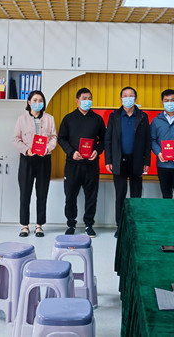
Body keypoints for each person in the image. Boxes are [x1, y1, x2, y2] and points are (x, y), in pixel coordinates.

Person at [58, 87, 106, 237]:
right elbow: (61, 138)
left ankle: (89, 224)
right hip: (73, 164)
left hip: (91, 165)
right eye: (84, 98)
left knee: (91, 196)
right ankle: (71, 224)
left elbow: (104, 140)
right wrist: (71, 152)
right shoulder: (68, 118)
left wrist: (97, 151)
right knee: (70, 196)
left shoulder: (97, 119)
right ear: (77, 100)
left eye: (90, 98)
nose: (87, 101)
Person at [104, 86, 151, 233]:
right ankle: (120, 226)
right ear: (120, 98)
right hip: (119, 161)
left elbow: (148, 140)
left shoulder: (142, 116)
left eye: (131, 95)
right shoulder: (114, 116)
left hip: (137, 161)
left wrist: (147, 161)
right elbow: (108, 139)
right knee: (120, 195)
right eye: (125, 95)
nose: (128, 98)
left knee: (136, 196)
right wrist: (108, 160)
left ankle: (134, 226)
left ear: (135, 99)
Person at [13, 90, 57, 238]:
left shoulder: (49, 118)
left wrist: (47, 148)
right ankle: (24, 225)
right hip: (27, 159)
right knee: (25, 193)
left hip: (44, 159)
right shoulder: (22, 119)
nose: (38, 103)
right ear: (29, 102)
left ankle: (39, 225)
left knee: (42, 193)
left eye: (40, 100)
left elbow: (54, 137)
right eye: (35, 100)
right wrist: (26, 150)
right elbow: (16, 138)